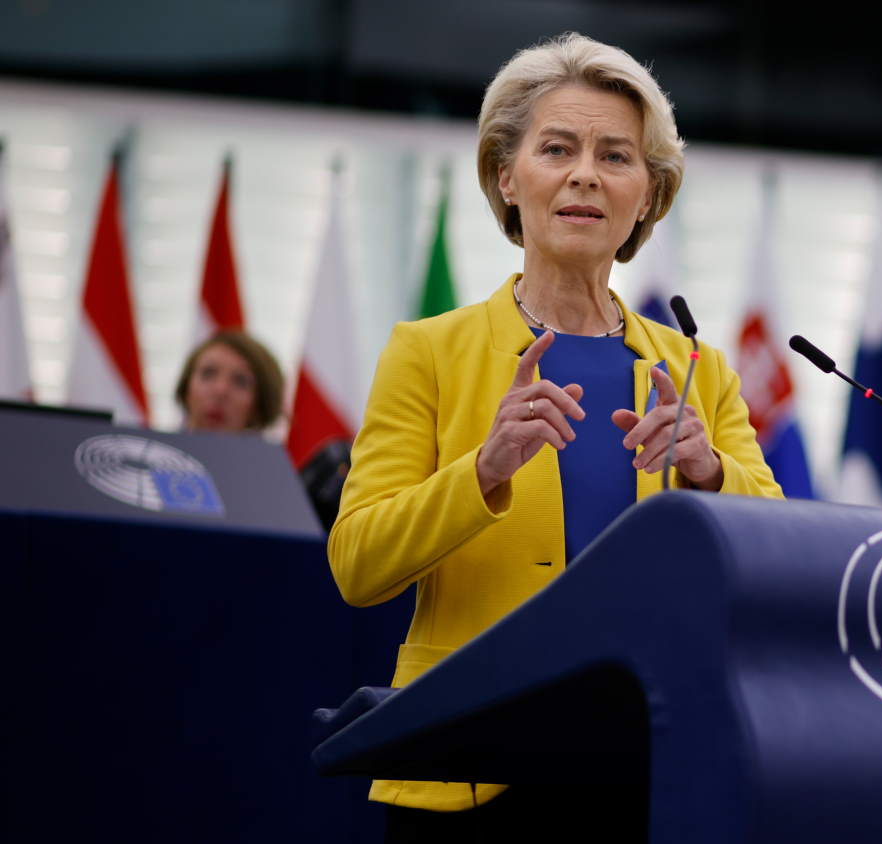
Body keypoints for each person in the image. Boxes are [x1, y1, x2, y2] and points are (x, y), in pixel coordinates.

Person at [327, 32, 783, 841]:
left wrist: (711, 472)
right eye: (557, 148)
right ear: (508, 177)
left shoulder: (694, 367)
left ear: (648, 195)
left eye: (616, 156)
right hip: (467, 768)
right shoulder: (428, 353)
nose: (585, 174)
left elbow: (776, 558)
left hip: (647, 768)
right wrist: (485, 468)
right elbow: (359, 567)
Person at [174, 330, 284, 433]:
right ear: (186, 388)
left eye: (240, 381)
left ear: (260, 406)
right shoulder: (157, 450)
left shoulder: (277, 453)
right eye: (209, 373)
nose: (220, 390)